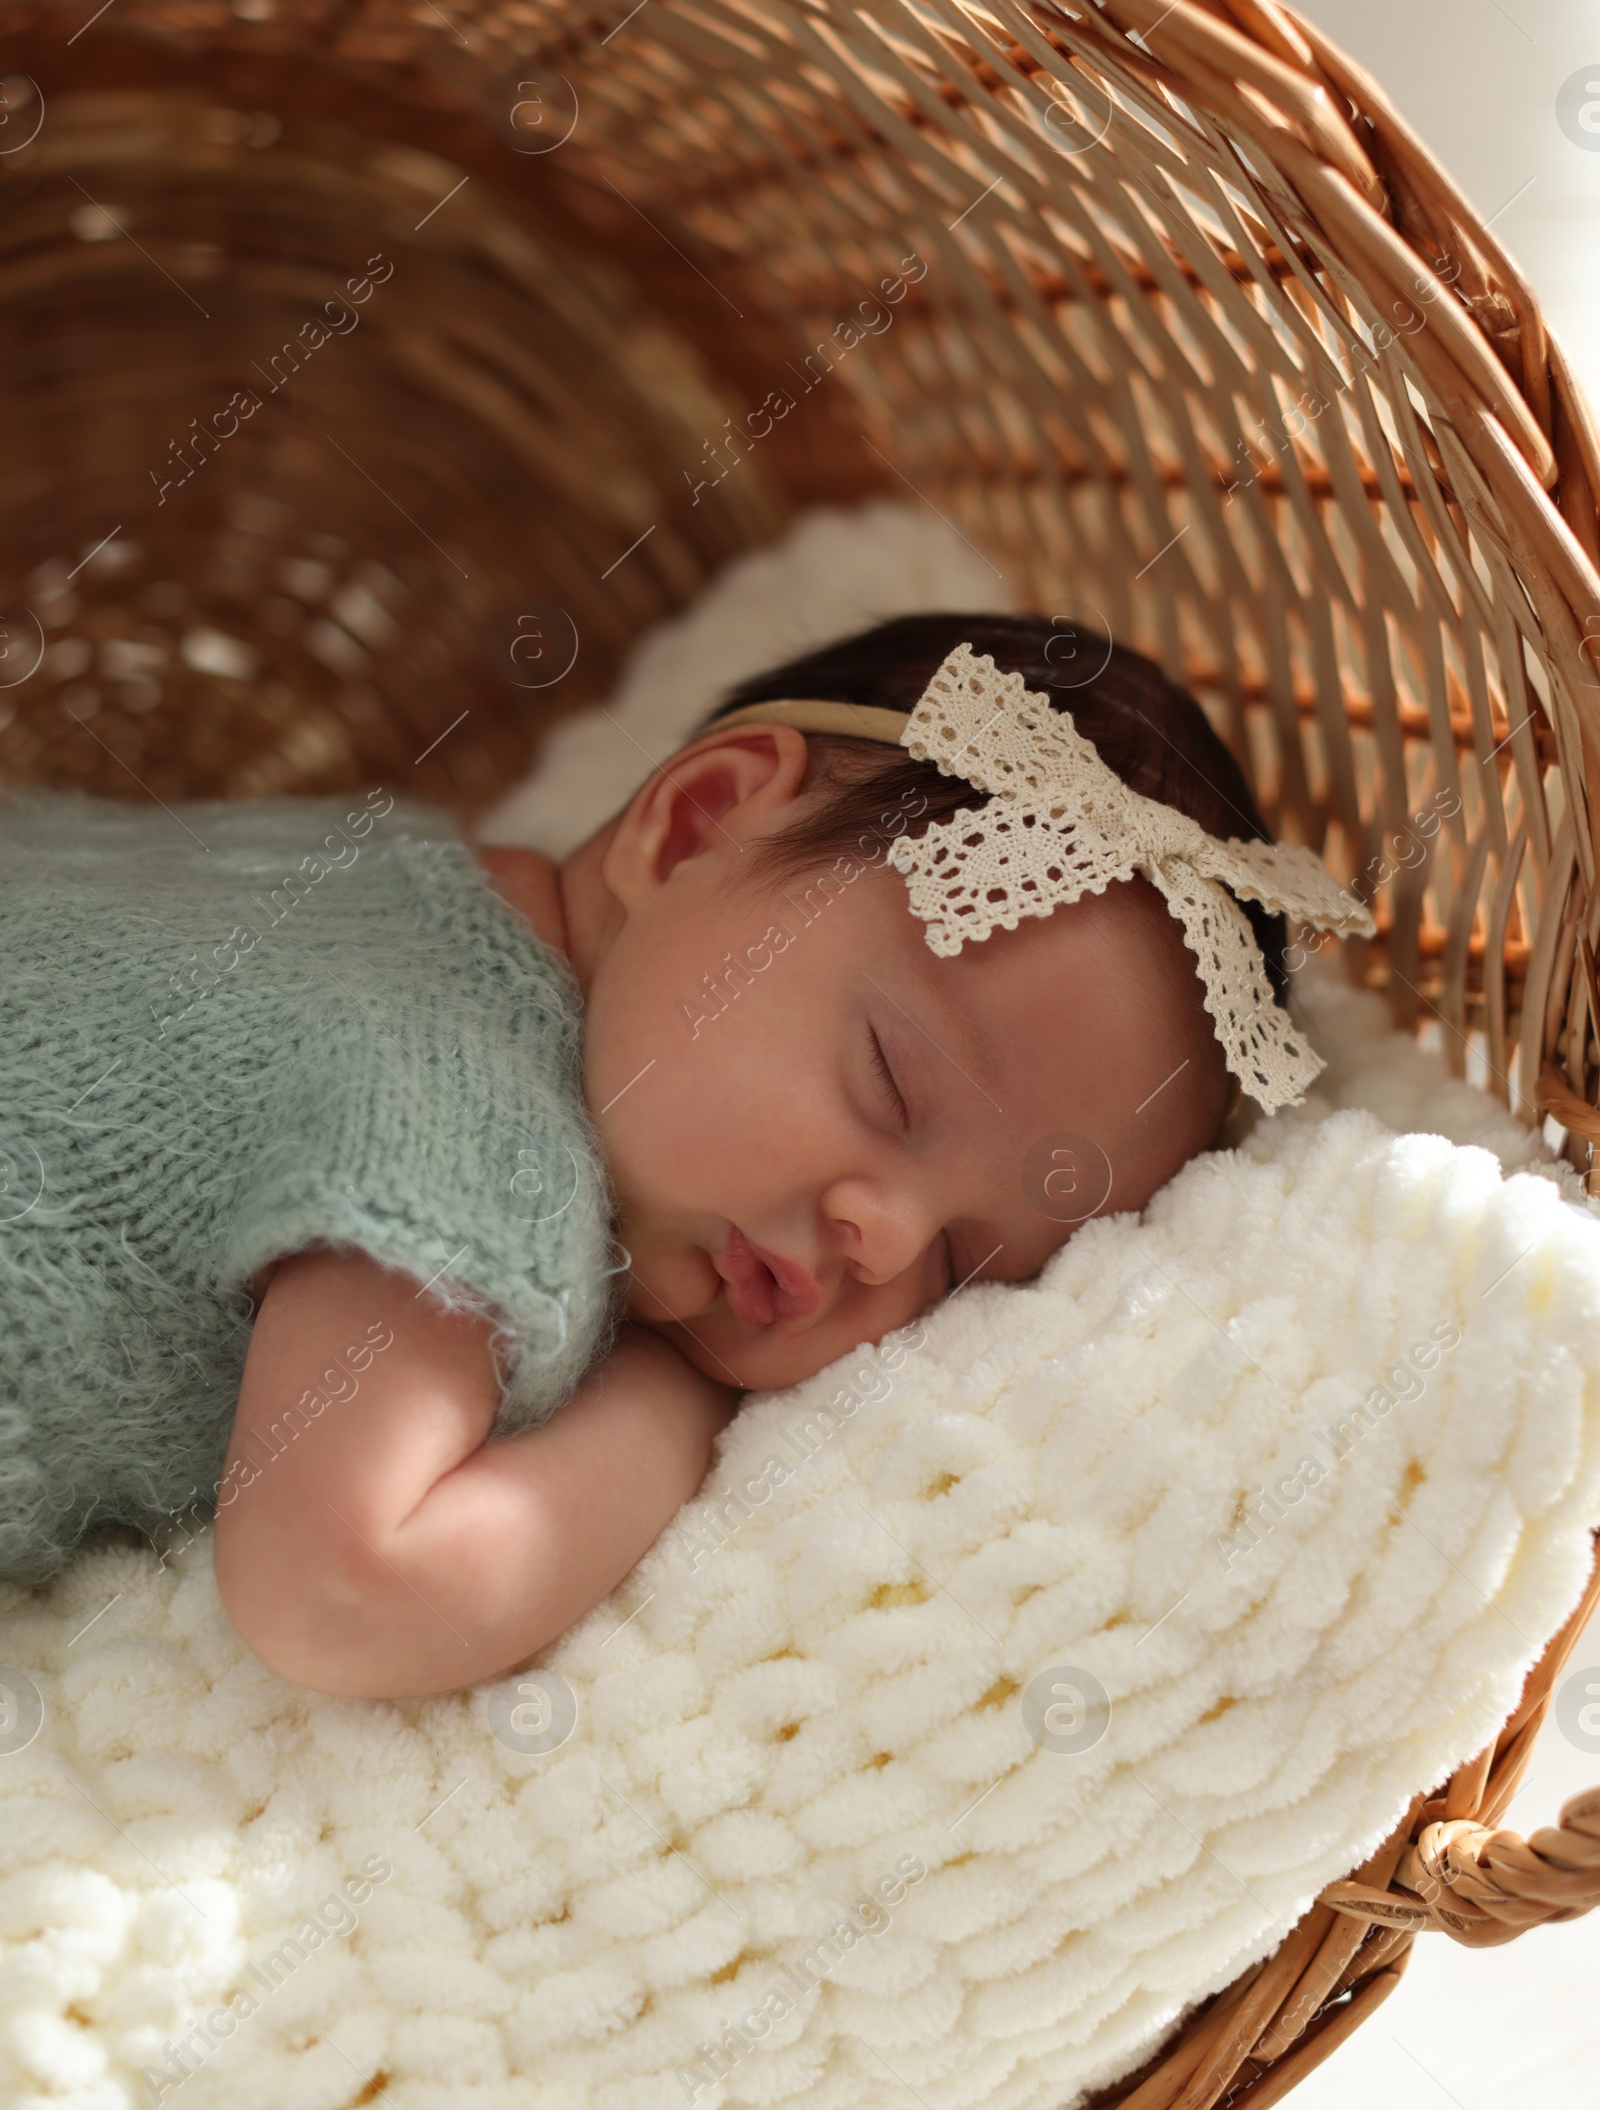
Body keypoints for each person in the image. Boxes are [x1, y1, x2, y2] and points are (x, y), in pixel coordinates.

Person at [0, 612, 1367, 1697]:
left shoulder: (371, 874)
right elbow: (346, 1594)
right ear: (700, 817)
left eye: (962, 1268)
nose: (883, 1243)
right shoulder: (469, 1138)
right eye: (890, 1082)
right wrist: (677, 1406)